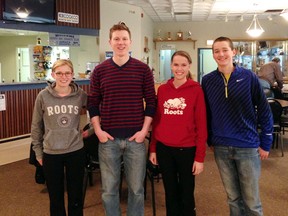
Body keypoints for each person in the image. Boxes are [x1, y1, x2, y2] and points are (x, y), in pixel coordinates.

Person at [87, 21, 156, 216]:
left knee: (136, 190)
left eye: (124, 39)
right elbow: (93, 103)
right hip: (108, 139)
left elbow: (151, 102)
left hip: (136, 139)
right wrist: (98, 131)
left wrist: (144, 131)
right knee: (108, 191)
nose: (121, 42)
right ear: (110, 42)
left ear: (130, 42)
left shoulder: (143, 70)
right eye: (116, 39)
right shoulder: (100, 71)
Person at [201, 36, 273, 216]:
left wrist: (266, 142)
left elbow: (264, 110)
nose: (221, 54)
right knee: (232, 199)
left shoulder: (249, 77)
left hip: (247, 146)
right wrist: (210, 138)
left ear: (233, 52)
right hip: (221, 147)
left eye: (225, 50)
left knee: (252, 201)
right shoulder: (207, 81)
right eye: (216, 51)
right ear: (213, 55)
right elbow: (207, 113)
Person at [149, 50, 207, 216]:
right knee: (170, 193)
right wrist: (153, 148)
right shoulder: (163, 90)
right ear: (171, 66)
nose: (179, 68)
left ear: (189, 67)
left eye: (183, 65)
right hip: (164, 149)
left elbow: (201, 125)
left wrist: (200, 157)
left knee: (187, 194)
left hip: (187, 150)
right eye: (176, 64)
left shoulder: (196, 90)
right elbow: (157, 120)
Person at [31, 59, 87, 216]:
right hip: (51, 153)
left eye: (67, 73)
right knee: (56, 199)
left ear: (72, 75)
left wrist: (88, 132)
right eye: (60, 73)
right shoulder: (43, 96)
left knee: (76, 196)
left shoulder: (80, 95)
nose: (64, 77)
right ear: (53, 74)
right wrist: (38, 152)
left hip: (75, 151)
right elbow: (36, 126)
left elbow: (97, 113)